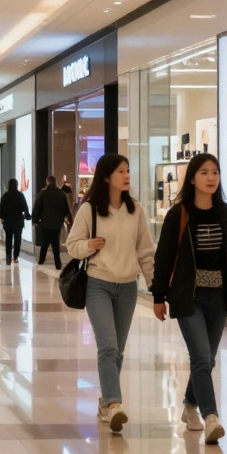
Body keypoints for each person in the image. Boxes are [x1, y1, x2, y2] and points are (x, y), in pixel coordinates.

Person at [151, 153, 227, 445]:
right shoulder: (179, 214)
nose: (211, 178)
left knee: (206, 360)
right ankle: (211, 417)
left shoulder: (226, 213)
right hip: (189, 297)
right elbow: (164, 258)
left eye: (215, 172)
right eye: (204, 172)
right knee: (200, 357)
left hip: (219, 298)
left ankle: (189, 406)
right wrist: (158, 295)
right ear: (193, 178)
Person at [67, 154, 156, 435]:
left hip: (128, 287)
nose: (126, 175)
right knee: (107, 345)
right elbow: (72, 244)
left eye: (128, 170)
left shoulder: (136, 210)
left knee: (117, 350)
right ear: (106, 177)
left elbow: (145, 250)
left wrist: (155, 286)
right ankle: (115, 403)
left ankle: (105, 401)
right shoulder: (90, 209)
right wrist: (89, 246)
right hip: (98, 284)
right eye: (121, 171)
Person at [33, 176, 72, 269]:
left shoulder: (42, 194)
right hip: (57, 223)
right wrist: (67, 219)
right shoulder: (61, 194)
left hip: (45, 223)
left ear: (47, 183)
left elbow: (37, 208)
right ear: (55, 182)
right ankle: (58, 263)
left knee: (44, 242)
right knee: (55, 243)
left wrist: (35, 220)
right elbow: (66, 208)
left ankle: (41, 260)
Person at [0, 179, 31, 265]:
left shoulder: (5, 196)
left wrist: (2, 218)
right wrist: (27, 215)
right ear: (16, 185)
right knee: (17, 239)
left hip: (8, 221)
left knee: (8, 240)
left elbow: (1, 208)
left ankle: (8, 258)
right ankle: (15, 257)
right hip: (18, 220)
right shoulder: (20, 195)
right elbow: (25, 207)